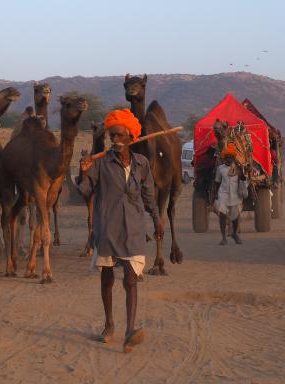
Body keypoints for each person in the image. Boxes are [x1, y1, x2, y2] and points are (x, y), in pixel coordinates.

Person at [77, 109, 163, 353]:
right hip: (107, 227)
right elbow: (84, 191)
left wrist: (157, 220)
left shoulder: (142, 164)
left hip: (134, 228)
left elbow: (148, 196)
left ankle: (129, 331)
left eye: (118, 135)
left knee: (130, 279)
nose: (114, 140)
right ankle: (109, 324)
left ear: (130, 137)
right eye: (111, 136)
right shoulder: (100, 163)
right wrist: (83, 171)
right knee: (107, 278)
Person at [214, 143, 248, 245]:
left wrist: (244, 172)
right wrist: (215, 195)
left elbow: (243, 180)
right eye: (227, 157)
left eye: (230, 157)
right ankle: (223, 237)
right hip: (223, 195)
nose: (228, 159)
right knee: (222, 216)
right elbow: (217, 182)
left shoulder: (238, 169)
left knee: (235, 217)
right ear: (224, 158)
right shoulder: (220, 169)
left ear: (233, 157)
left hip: (235, 195)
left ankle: (235, 234)